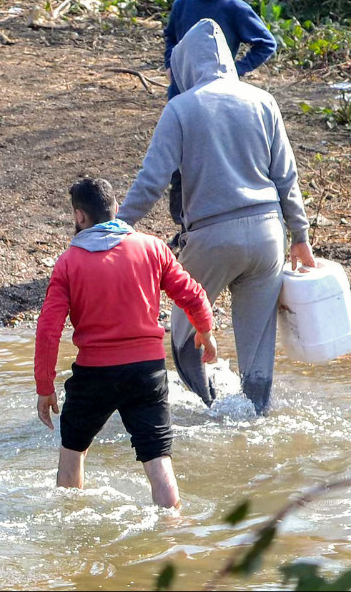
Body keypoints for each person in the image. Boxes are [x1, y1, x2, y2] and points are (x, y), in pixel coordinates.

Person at [118, 18, 316, 415]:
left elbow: (152, 180)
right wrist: (300, 236)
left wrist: (118, 226)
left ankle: (207, 408)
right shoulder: (263, 101)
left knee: (184, 332)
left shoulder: (180, 109)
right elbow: (286, 177)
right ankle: (254, 416)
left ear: (188, 64)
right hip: (267, 238)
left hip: (210, 239)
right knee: (257, 345)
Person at [35, 178, 216, 509]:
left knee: (72, 450)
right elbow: (190, 293)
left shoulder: (68, 263)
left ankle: (70, 526)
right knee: (158, 459)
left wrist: (44, 385)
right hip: (146, 373)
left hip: (94, 375)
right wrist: (205, 331)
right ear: (116, 210)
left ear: (79, 217)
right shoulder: (152, 248)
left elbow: (48, 329)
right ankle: (173, 532)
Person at [163, 0, 279, 230]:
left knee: (212, 163)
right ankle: (184, 227)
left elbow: (266, 43)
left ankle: (211, 224)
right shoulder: (182, 6)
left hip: (219, 101)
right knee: (180, 165)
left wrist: (235, 72)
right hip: (181, 98)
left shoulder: (234, 8)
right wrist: (169, 65)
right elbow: (171, 39)